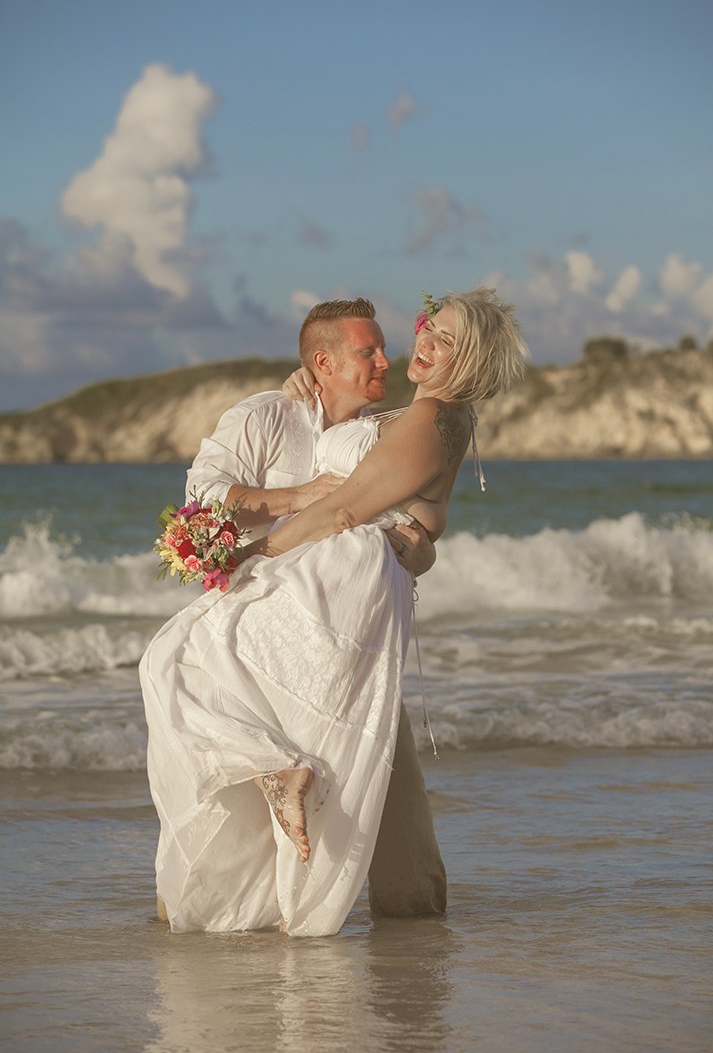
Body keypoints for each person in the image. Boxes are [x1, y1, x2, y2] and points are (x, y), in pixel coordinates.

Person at [140, 286, 527, 937]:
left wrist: (255, 555)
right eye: (421, 332)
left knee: (178, 658)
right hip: (336, 581)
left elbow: (354, 507)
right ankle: (338, 877)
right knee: (337, 735)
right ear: (322, 364)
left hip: (336, 576)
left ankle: (285, 808)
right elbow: (209, 492)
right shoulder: (293, 411)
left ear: (472, 361)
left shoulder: (434, 418)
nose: (407, 350)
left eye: (441, 340)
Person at [183, 299, 446, 919]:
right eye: (368, 351)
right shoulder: (266, 415)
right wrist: (294, 498)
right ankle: (235, 936)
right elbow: (201, 504)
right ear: (323, 362)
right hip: (267, 647)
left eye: (385, 348)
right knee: (235, 832)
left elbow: (420, 528)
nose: (387, 360)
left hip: (356, 653)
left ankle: (416, 971)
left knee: (407, 864)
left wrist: (420, 547)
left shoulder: (386, 433)